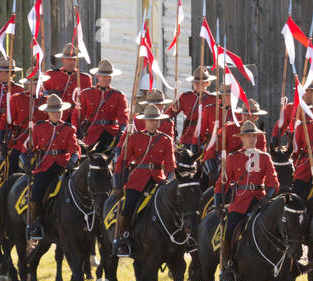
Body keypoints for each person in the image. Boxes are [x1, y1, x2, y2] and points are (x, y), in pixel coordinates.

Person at [218, 121, 279, 281]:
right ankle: (228, 267)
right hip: (240, 203)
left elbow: (274, 182)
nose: (252, 139)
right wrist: (218, 201)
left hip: (260, 201)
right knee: (229, 230)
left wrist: (269, 196)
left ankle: (284, 265)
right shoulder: (233, 158)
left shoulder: (265, 157)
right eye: (249, 136)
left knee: (279, 226)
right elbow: (222, 183)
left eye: (254, 136)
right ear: (242, 138)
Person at [113, 103, 176, 259]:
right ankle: (124, 237)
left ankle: (177, 238)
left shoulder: (165, 140)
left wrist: (170, 178)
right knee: (129, 206)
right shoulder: (134, 138)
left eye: (156, 120)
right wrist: (118, 182)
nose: (154, 122)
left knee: (173, 205)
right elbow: (122, 161)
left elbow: (170, 164)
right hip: (138, 180)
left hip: (157, 180)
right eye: (151, 120)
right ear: (145, 121)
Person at [27, 93, 80, 247]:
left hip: (64, 166)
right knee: (36, 192)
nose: (57, 114)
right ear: (48, 113)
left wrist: (73, 161)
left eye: (59, 111)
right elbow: (30, 149)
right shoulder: (39, 127)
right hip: (45, 166)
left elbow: (75, 149)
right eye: (53, 111)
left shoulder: (69, 128)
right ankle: (36, 224)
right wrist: (27, 161)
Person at [75, 59, 127, 155]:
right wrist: (77, 133)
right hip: (92, 133)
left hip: (111, 134)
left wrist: (121, 133)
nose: (105, 78)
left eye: (108, 76)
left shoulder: (119, 96)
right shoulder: (86, 93)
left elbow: (123, 117)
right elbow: (77, 115)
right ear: (97, 76)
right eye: (103, 76)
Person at [42, 43, 92, 122]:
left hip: (77, 118)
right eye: (68, 59)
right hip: (57, 117)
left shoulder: (84, 78)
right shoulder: (51, 75)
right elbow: (44, 96)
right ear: (63, 60)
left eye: (74, 59)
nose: (71, 62)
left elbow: (88, 101)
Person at [173, 66, 216, 148]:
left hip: (205, 138)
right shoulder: (185, 97)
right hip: (188, 136)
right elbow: (170, 113)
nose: (198, 85)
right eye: (196, 82)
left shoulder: (213, 99)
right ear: (193, 83)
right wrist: (174, 104)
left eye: (202, 83)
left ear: (207, 83)